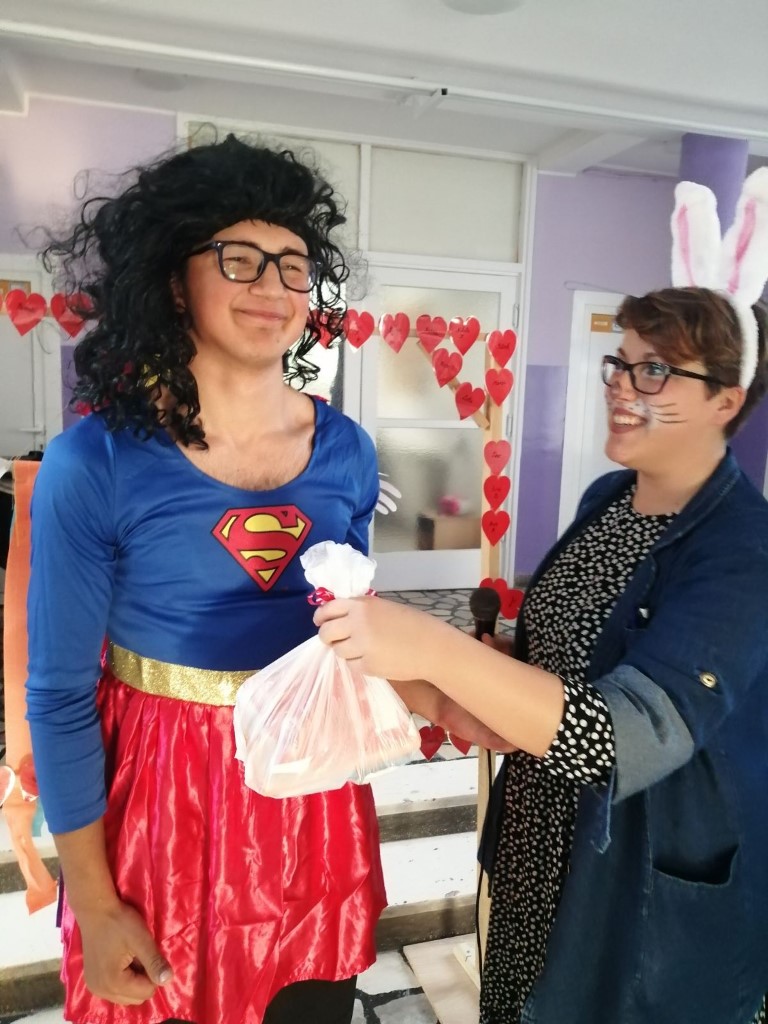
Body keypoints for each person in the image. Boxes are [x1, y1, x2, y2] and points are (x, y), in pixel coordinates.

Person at [315, 176, 768, 1023]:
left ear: (726, 400)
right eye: (621, 362)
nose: (623, 386)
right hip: (537, 843)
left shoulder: (744, 550)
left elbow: (621, 738)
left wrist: (431, 646)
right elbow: (559, 656)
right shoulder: (610, 500)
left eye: (656, 371)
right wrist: (479, 670)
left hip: (634, 877)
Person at [26, 133, 412, 1024]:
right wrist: (94, 902)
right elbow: (59, 696)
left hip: (312, 807)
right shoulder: (98, 461)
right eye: (239, 259)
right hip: (163, 811)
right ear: (174, 281)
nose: (273, 286)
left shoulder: (348, 453)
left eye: (292, 265)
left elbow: (355, 638)